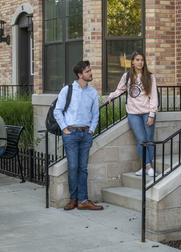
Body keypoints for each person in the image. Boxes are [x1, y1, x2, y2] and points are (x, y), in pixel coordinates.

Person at [54, 60, 102, 211]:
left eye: (90, 70)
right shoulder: (67, 90)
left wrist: (91, 130)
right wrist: (65, 129)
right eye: (88, 71)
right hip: (71, 133)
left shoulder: (93, 92)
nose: (91, 73)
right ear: (80, 75)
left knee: (83, 168)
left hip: (86, 134)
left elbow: (95, 114)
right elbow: (57, 111)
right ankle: (73, 199)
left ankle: (83, 200)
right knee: (73, 167)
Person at [105, 51, 158, 177]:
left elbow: (154, 97)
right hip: (133, 114)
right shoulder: (127, 76)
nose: (140, 62)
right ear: (132, 62)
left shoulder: (150, 77)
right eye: (137, 60)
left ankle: (146, 167)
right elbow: (120, 89)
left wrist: (152, 114)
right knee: (141, 140)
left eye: (142, 60)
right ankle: (148, 166)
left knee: (149, 140)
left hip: (147, 113)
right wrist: (111, 96)